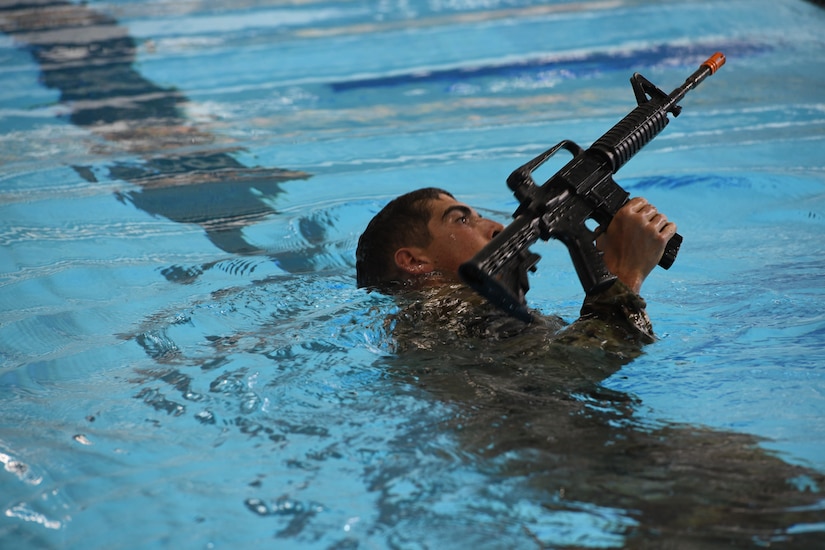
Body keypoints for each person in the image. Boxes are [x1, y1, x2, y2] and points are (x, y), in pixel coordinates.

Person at [356, 187, 678, 355]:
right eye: (462, 220)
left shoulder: (476, 316)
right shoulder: (435, 321)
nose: (497, 228)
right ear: (414, 261)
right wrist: (625, 274)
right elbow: (569, 374)